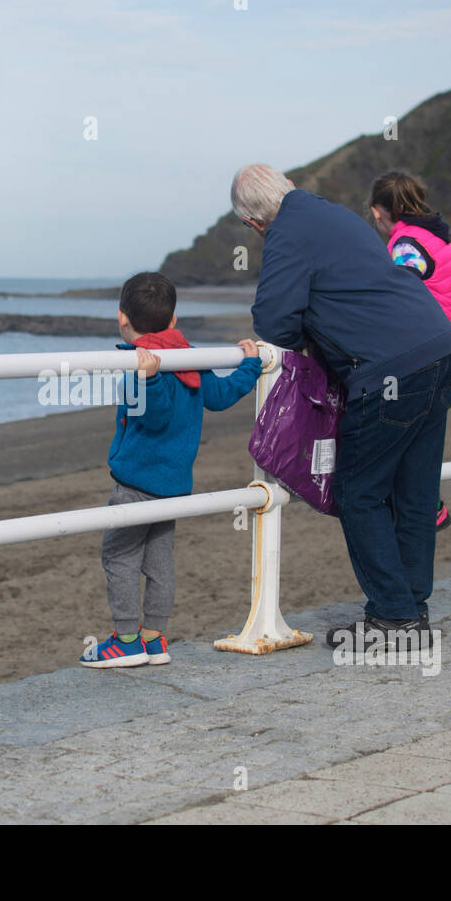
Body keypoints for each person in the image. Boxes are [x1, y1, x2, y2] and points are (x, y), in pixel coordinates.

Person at [231, 163, 451, 649]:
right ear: (289, 187)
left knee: (359, 491)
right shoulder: (333, 215)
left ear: (254, 224)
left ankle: (394, 617)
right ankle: (412, 603)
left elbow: (272, 319)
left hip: (391, 369)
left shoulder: (286, 232)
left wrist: (312, 337)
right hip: (440, 348)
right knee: (416, 490)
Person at [81, 272, 263, 668]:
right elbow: (219, 396)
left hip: (134, 484)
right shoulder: (189, 357)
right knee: (160, 563)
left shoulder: (139, 366)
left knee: (119, 558)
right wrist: (249, 366)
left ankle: (127, 639)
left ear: (121, 320)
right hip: (175, 485)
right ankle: (155, 639)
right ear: (173, 321)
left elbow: (154, 418)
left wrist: (145, 381)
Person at [369, 170, 451, 533]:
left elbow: (400, 295)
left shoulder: (407, 244)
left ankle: (429, 507)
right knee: (425, 439)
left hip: (425, 354)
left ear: (380, 211)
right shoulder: (435, 235)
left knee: (397, 439)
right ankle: (429, 507)